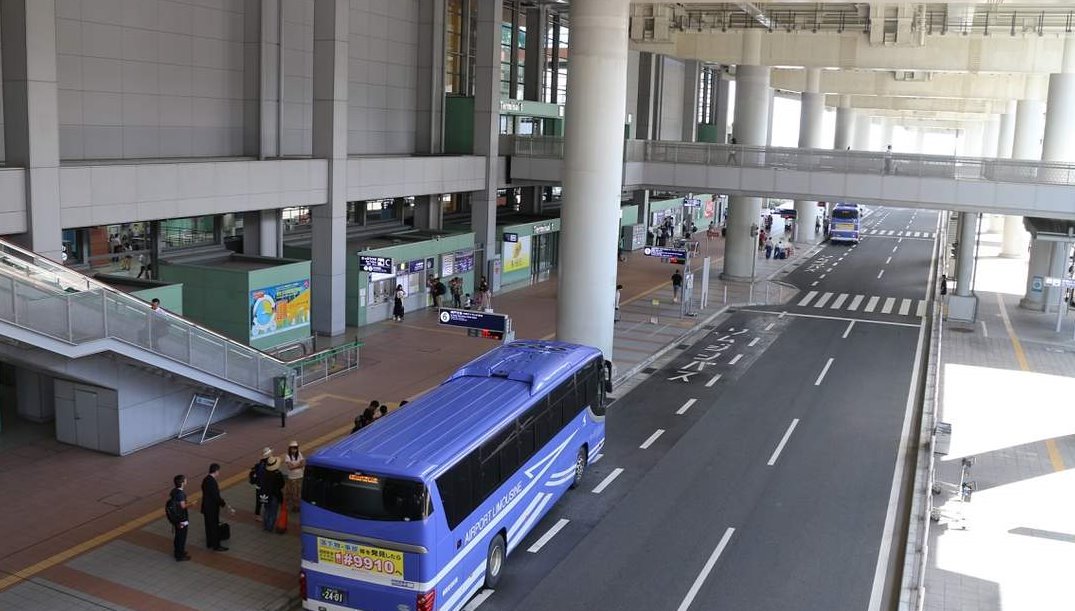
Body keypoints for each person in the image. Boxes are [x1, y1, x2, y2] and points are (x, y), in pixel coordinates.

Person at [201, 463, 234, 551]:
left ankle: (210, 542)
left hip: (206, 507)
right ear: (216, 471)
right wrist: (225, 505)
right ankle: (216, 545)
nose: (219, 473)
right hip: (211, 509)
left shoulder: (205, 480)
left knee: (208, 526)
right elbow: (216, 497)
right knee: (214, 526)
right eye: (218, 471)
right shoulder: (212, 482)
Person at [169, 474, 191, 561]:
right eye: (185, 480)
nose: (186, 480)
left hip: (176, 518)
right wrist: (191, 504)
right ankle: (180, 555)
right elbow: (183, 506)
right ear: (182, 482)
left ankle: (177, 551)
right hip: (181, 518)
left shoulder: (174, 491)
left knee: (178, 535)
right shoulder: (181, 494)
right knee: (182, 536)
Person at [260, 456, 285, 534]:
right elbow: (282, 484)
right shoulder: (278, 474)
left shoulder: (265, 473)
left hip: (266, 495)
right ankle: (270, 527)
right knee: (273, 512)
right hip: (275, 495)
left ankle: (265, 525)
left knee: (267, 510)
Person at [251, 446, 272, 521]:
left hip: (259, 486)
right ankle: (258, 515)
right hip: (262, 486)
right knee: (261, 501)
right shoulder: (264, 465)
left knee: (259, 501)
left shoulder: (261, 463)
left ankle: (258, 514)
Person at [283, 441, 305, 513]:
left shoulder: (299, 454)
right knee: (292, 491)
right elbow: (290, 467)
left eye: (296, 448)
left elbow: (303, 463)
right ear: (290, 448)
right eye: (293, 448)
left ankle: (297, 506)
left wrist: (295, 466)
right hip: (292, 477)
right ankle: (292, 505)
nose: (294, 450)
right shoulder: (287, 456)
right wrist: (299, 465)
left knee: (298, 492)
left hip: (300, 476)